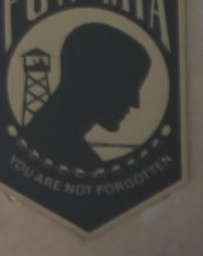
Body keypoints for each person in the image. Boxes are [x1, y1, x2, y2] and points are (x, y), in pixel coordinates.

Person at [19, 21, 153, 170]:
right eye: (127, 87)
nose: (135, 103)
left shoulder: (28, 142)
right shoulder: (79, 162)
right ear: (94, 81)